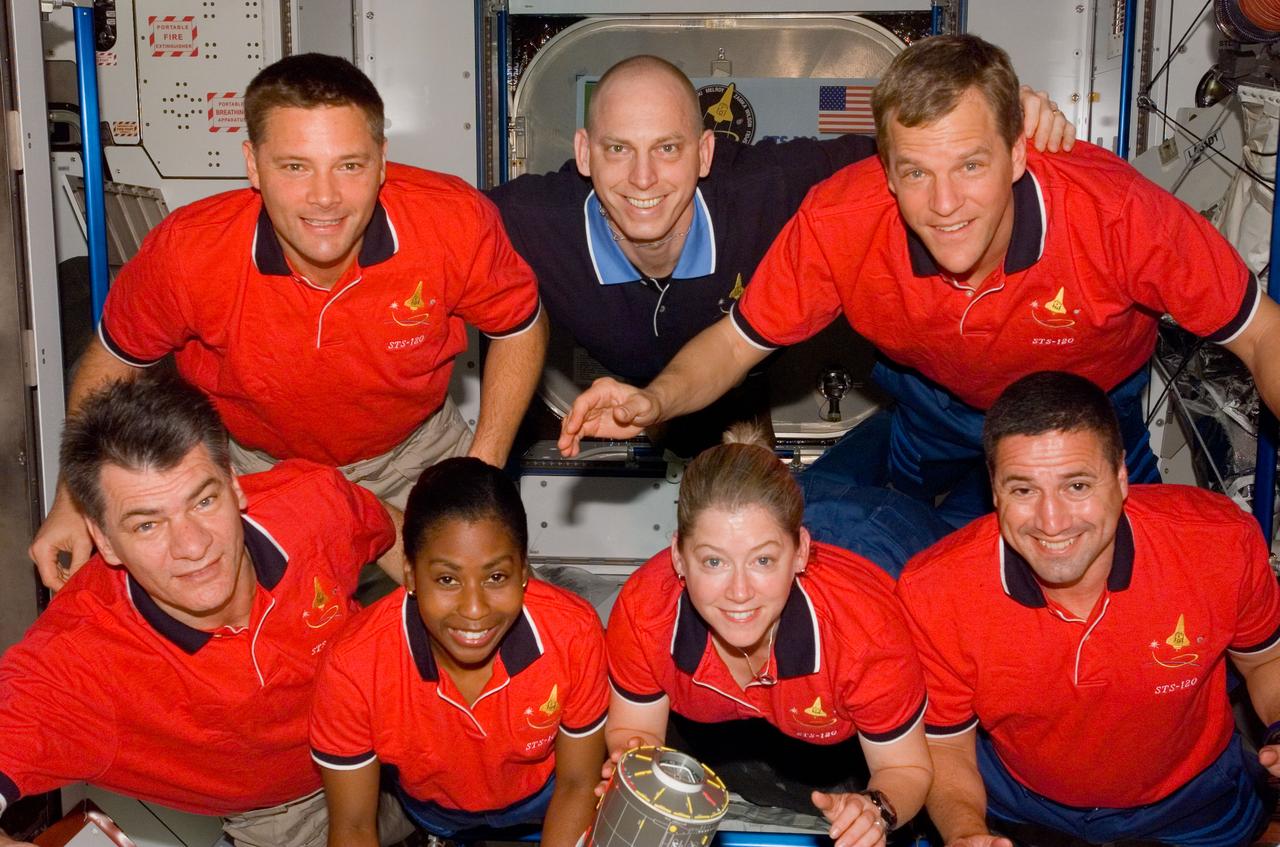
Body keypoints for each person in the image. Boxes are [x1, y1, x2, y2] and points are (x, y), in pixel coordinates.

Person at [558, 35, 1280, 530]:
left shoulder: (1117, 215)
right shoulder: (844, 219)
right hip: (936, 400)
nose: (944, 204)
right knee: (876, 531)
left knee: (1137, 561)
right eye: (915, 172)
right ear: (886, 168)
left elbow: (1264, 334)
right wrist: (652, 399)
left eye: (970, 165)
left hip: (1088, 405)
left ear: (1019, 152)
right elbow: (732, 345)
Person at [489, 53, 1070, 569]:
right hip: (641, 391)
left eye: (667, 148)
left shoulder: (770, 188)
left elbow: (916, 140)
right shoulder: (534, 219)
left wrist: (995, 113)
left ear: (705, 153)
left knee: (773, 520)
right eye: (619, 149)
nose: (644, 178)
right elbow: (430, 222)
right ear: (585, 153)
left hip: (740, 381)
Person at [30, 52, 547, 589]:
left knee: (492, 608)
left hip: (414, 454)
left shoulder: (452, 220)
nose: (324, 198)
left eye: (349, 165)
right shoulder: (188, 252)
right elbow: (114, 361)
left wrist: (481, 468)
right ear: (253, 165)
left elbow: (519, 327)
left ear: (382, 160)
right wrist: (71, 500)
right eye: (294, 166)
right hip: (252, 470)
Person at [0, 375, 402, 847]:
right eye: (148, 524)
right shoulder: (73, 666)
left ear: (236, 488)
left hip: (403, 715)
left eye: (204, 501)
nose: (193, 547)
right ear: (104, 540)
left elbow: (385, 525)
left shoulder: (309, 506)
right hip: (295, 811)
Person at [895, 371, 1280, 847]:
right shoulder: (935, 589)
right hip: (1022, 803)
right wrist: (965, 831)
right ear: (993, 490)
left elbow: (1265, 659)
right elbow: (947, 741)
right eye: (1022, 490)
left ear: (1121, 478)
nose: (1051, 522)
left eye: (1076, 486)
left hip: (1195, 797)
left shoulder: (1220, 542)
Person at [605, 424, 932, 847]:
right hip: (793, 524)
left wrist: (877, 810)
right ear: (677, 557)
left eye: (762, 560)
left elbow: (908, 768)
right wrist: (634, 770)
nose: (739, 592)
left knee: (919, 453)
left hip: (881, 537)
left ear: (800, 553)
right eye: (713, 562)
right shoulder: (645, 610)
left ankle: (896, 420)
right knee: (805, 487)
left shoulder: (866, 637)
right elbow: (635, 732)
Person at [310, 457, 608, 847]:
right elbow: (352, 827)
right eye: (447, 579)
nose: (474, 609)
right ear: (412, 575)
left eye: (496, 576)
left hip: (544, 796)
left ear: (523, 573)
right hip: (433, 809)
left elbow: (577, 782)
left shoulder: (573, 633)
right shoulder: (353, 667)